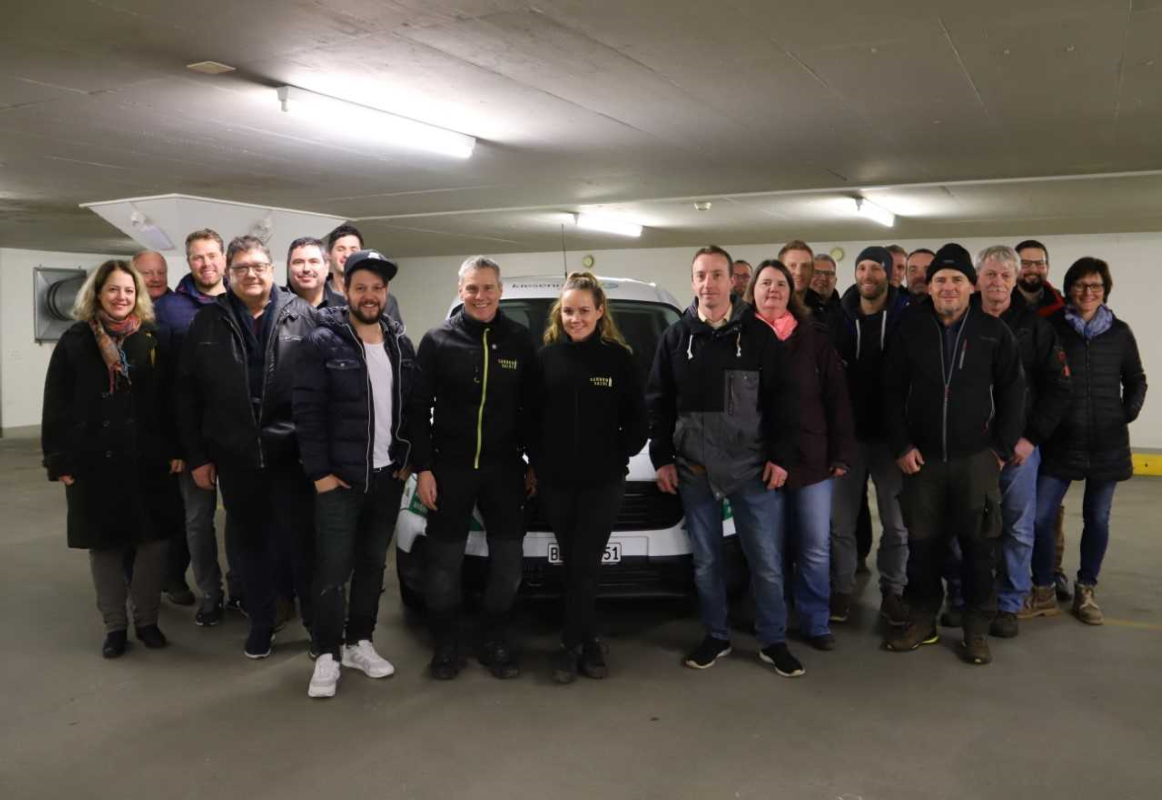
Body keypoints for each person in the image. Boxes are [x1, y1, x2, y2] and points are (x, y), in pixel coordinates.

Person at [646, 245, 803, 677]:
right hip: (694, 470)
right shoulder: (676, 338)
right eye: (701, 275)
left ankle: (773, 641)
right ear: (692, 281)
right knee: (707, 562)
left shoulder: (758, 336)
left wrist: (780, 457)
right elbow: (658, 402)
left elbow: (784, 402)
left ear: (732, 281)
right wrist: (662, 458)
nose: (708, 284)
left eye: (717, 275)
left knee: (766, 562)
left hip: (751, 470)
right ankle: (716, 636)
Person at [176, 235, 317, 659]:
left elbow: (322, 389)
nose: (251, 274)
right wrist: (199, 457)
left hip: (292, 455)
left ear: (272, 270)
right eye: (241, 268)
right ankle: (261, 622)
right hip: (234, 455)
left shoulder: (303, 315)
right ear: (228, 272)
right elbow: (188, 395)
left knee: (301, 544)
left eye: (258, 266)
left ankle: (317, 626)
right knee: (248, 547)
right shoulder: (207, 322)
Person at [883, 243, 1024, 665]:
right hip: (921, 462)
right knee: (923, 548)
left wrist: (999, 450)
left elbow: (1014, 393)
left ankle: (976, 630)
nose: (948, 286)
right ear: (929, 287)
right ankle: (922, 620)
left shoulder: (993, 332)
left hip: (976, 461)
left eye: (957, 279)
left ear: (971, 286)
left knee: (979, 550)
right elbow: (889, 392)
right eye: (940, 279)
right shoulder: (909, 329)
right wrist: (901, 445)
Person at [41, 260, 182, 657]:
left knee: (152, 543)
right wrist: (59, 460)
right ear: (98, 294)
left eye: (129, 290)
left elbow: (171, 399)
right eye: (113, 290)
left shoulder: (155, 338)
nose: (122, 297)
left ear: (138, 296)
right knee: (104, 546)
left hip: (148, 458)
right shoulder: (74, 340)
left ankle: (147, 620)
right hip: (92, 460)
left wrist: (177, 449)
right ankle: (115, 626)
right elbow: (56, 403)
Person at [409, 256, 538, 680]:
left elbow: (533, 408)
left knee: (508, 563)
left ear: (500, 290)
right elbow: (417, 408)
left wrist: (533, 462)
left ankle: (495, 638)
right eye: (472, 288)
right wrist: (424, 469)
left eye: (487, 288)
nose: (480, 296)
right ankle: (446, 643)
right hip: (450, 469)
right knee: (443, 564)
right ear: (460, 290)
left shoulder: (519, 340)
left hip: (505, 470)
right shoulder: (438, 340)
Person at [294, 250, 415, 698]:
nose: (370, 295)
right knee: (332, 570)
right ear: (344, 289)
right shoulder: (322, 341)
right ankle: (326, 652)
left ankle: (359, 642)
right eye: (361, 287)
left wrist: (407, 459)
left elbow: (413, 407)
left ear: (386, 293)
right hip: (340, 482)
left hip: (386, 478)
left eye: (377, 288)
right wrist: (320, 474)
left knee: (370, 566)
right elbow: (306, 413)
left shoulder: (400, 343)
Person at [534, 272, 648, 683]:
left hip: (603, 482)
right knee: (576, 564)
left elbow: (638, 420)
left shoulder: (619, 359)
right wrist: (540, 462)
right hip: (557, 483)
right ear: (559, 314)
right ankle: (589, 641)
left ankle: (572, 646)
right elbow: (530, 418)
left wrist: (618, 455)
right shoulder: (545, 359)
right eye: (568, 311)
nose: (575, 318)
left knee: (583, 563)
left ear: (600, 311)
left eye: (584, 310)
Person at [960, 246, 1071, 638]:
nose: (997, 282)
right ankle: (965, 599)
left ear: (1015, 279)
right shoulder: (960, 321)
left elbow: (1059, 388)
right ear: (977, 279)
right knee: (966, 528)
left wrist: (1030, 438)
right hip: (969, 448)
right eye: (990, 274)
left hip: (1019, 450)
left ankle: (1009, 604)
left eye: (1005, 275)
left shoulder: (1036, 329)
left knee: (1018, 530)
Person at [1029, 257, 1146, 625]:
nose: (1087, 292)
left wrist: (1126, 413)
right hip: (1060, 442)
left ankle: (1086, 588)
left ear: (1105, 290)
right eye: (1080, 285)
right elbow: (1037, 379)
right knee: (1040, 518)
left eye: (1095, 285)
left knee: (1097, 518)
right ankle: (1043, 587)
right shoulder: (1051, 328)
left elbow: (1136, 379)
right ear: (1068, 289)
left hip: (1107, 443)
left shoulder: (1120, 333)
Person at [748, 260, 856, 651]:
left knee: (814, 546)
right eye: (765, 283)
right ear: (753, 291)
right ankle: (772, 621)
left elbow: (836, 398)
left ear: (791, 292)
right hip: (758, 461)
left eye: (780, 283)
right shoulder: (740, 337)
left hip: (813, 459)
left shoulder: (814, 337)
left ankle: (815, 621)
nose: (773, 290)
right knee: (769, 550)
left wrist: (841, 453)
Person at [154, 229, 246, 624]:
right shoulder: (169, 309)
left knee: (241, 517)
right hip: (193, 435)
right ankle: (211, 593)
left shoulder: (244, 300)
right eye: (197, 257)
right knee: (197, 520)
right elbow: (164, 384)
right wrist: (177, 446)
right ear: (188, 261)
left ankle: (241, 588)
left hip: (238, 434)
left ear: (224, 258)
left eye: (212, 255)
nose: (206, 263)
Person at [830, 246, 911, 625]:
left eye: (875, 268)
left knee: (896, 525)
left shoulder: (907, 317)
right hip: (847, 439)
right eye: (861, 267)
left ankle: (893, 591)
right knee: (840, 524)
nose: (867, 275)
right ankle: (841, 590)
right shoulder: (838, 318)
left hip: (892, 441)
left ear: (889, 273)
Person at [131, 249, 192, 604]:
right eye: (147, 272)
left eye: (160, 271)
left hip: (170, 431)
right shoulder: (120, 314)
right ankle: (134, 582)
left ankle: (173, 577)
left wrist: (178, 445)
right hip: (130, 434)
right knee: (133, 510)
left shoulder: (180, 310)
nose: (154, 278)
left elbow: (181, 385)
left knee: (175, 513)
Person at [1013, 238, 1070, 598]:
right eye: (1026, 263)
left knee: (1048, 510)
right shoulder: (1002, 304)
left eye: (1039, 263)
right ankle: (1014, 576)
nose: (1033, 269)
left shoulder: (1062, 309)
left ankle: (1050, 572)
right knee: (1017, 511)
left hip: (1054, 424)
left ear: (1047, 267)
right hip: (1017, 425)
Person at [326, 224, 402, 324]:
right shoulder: (315, 295)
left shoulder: (386, 301)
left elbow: (394, 332)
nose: (347, 255)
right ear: (329, 254)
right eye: (341, 249)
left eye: (353, 250)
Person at [286, 236, 344, 308]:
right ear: (288, 267)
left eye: (313, 261)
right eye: (298, 262)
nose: (306, 269)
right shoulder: (275, 307)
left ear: (326, 267)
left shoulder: (346, 307)